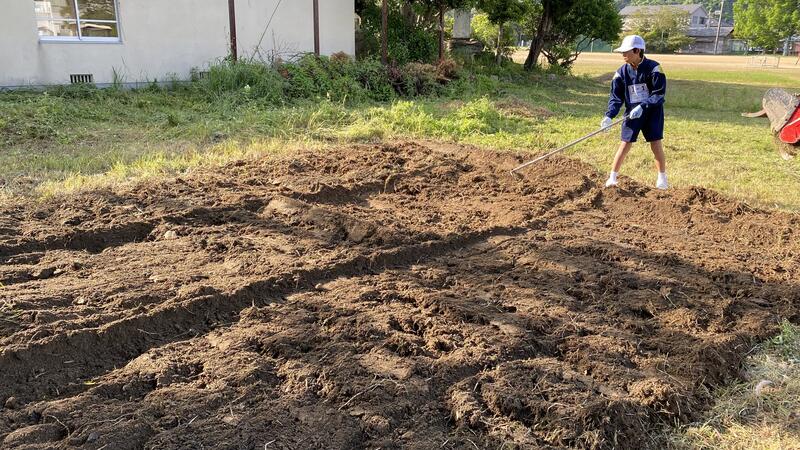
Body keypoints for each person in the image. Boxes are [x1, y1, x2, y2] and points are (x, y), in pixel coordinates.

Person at [601, 35, 668, 190]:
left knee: (655, 143)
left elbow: (658, 94)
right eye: (622, 52)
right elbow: (616, 97)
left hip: (652, 112)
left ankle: (662, 178)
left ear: (637, 51)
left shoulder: (655, 68)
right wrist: (609, 115)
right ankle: (612, 177)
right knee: (625, 143)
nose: (623, 55)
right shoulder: (621, 73)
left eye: (626, 52)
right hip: (632, 113)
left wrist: (643, 106)